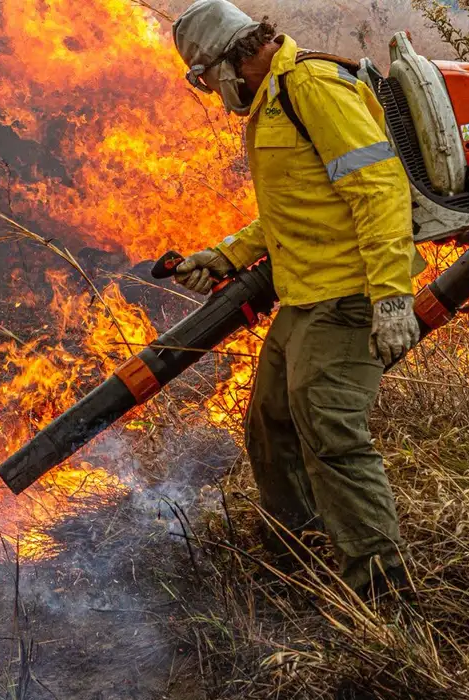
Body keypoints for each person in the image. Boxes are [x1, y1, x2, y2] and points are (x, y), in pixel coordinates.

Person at [170, 0, 420, 597]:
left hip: (349, 293)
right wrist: (225, 255)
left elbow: (380, 189)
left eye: (207, 81)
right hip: (306, 295)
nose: (215, 95)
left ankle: (385, 596)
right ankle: (298, 560)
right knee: (270, 424)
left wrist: (391, 298)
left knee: (329, 429)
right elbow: (297, 209)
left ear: (227, 63)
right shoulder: (273, 99)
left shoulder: (311, 87)